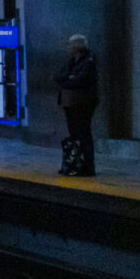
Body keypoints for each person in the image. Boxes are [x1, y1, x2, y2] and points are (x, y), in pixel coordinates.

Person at [54, 34, 98, 176]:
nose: (69, 48)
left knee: (83, 133)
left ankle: (87, 167)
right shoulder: (72, 61)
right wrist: (69, 79)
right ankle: (75, 163)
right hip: (71, 103)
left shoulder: (89, 61)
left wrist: (67, 80)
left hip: (83, 102)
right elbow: (60, 76)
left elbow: (80, 80)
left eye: (71, 45)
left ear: (78, 46)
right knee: (75, 134)